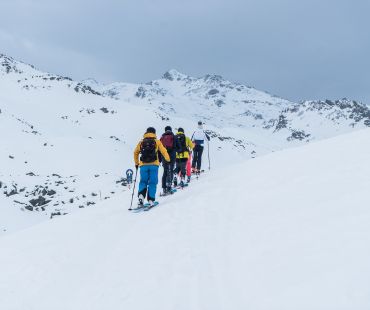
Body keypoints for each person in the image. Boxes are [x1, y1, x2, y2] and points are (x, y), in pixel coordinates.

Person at [134, 127, 170, 206]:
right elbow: (164, 151)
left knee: (143, 181)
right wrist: (168, 159)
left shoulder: (141, 142)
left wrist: (136, 163)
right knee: (153, 182)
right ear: (154, 133)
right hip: (154, 165)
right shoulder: (157, 142)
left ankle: (141, 197)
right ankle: (150, 200)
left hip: (143, 166)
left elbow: (135, 152)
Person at [159, 126, 178, 195]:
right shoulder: (174, 137)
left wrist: (160, 159)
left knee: (165, 171)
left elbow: (159, 149)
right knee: (171, 170)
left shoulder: (162, 138)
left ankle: (164, 188)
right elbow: (178, 147)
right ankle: (169, 186)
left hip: (164, 156)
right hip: (172, 156)